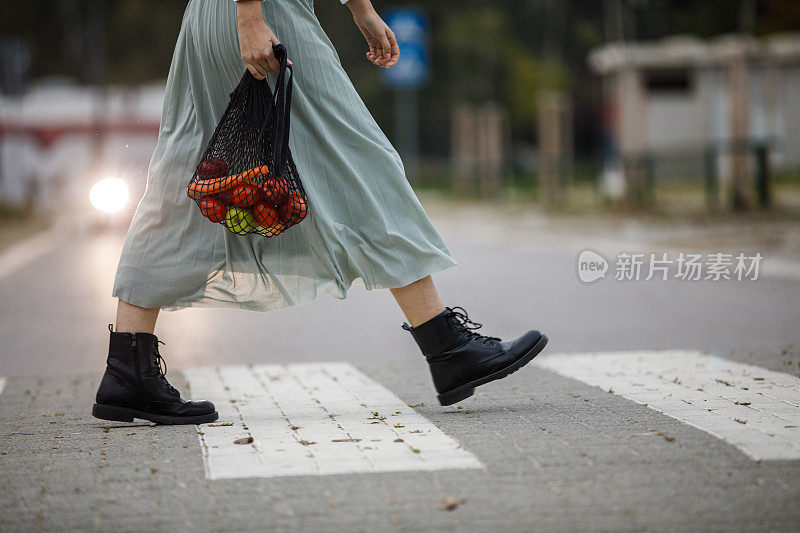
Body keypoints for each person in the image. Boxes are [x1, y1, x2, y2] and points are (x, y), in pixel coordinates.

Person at [92, 0, 548, 426]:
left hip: (215, 17)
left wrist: (360, 9)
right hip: (266, 12)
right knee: (359, 161)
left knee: (192, 173)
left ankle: (128, 365)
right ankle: (447, 346)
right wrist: (251, 15)